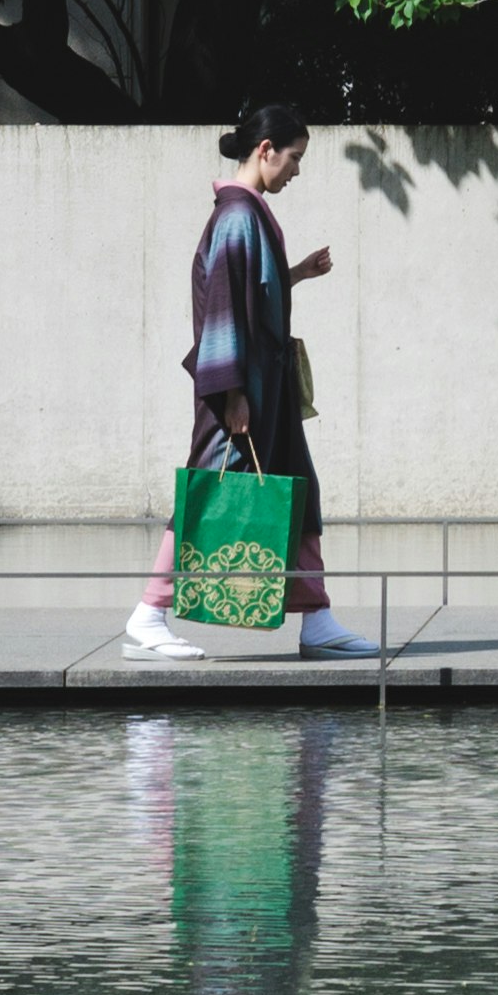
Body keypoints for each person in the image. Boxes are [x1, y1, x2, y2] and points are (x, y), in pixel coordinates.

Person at [124, 106, 376, 660]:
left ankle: (317, 618)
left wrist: (296, 274)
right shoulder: (239, 216)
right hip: (244, 392)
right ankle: (148, 613)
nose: (297, 171)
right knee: (208, 491)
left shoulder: (245, 213)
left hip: (264, 388)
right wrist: (233, 393)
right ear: (265, 150)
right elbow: (223, 307)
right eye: (294, 158)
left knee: (297, 492)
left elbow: (247, 292)